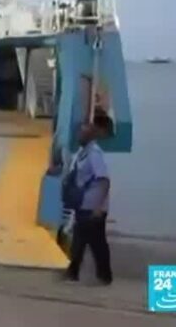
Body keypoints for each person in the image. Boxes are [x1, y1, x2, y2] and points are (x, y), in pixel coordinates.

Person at [64, 114, 114, 285]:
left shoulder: (94, 154)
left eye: (83, 133)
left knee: (85, 240)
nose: (79, 135)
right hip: (84, 204)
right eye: (79, 133)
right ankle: (103, 275)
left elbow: (105, 180)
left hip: (93, 207)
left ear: (90, 135)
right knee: (95, 242)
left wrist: (99, 207)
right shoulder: (81, 153)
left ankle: (74, 273)